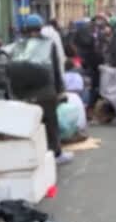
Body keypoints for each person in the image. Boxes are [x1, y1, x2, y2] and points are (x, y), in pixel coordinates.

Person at [5, 14, 73, 164]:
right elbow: (55, 70)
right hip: (46, 93)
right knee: (50, 124)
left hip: (24, 95)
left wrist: (14, 95)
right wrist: (60, 91)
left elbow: (9, 72)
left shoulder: (18, 45)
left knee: (30, 126)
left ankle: (32, 155)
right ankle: (56, 154)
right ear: (41, 28)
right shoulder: (49, 44)